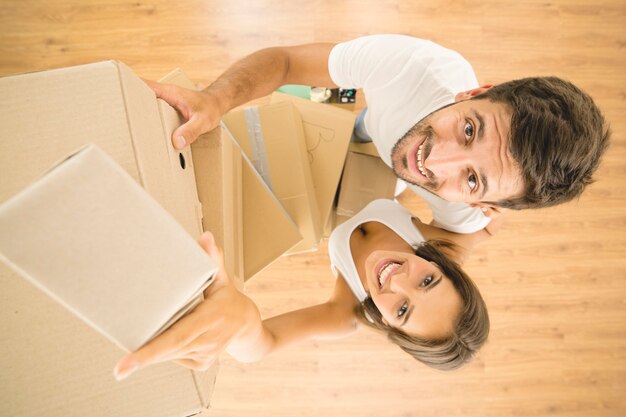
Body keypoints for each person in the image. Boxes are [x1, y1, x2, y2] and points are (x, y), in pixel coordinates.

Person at [144, 34, 610, 235]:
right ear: (475, 90)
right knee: (356, 118)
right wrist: (215, 99)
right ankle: (356, 122)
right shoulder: (411, 65)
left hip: (390, 155)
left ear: (481, 206)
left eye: (472, 180)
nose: (436, 159)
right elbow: (286, 62)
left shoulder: (465, 217)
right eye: (469, 128)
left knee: (391, 163)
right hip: (376, 110)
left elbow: (465, 242)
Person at [114, 199, 492, 380]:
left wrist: (240, 324)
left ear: (391, 327)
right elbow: (489, 219)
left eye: (402, 310)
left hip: (327, 204)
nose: (395, 279)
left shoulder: (347, 312)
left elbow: (264, 343)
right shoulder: (451, 243)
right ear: (445, 268)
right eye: (428, 281)